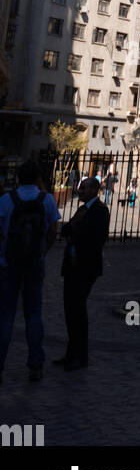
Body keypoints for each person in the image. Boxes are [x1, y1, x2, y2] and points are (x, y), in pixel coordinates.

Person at [0, 160, 60, 384]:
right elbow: (53, 231)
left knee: (5, 316)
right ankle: (36, 365)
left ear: (18, 177)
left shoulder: (6, 200)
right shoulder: (48, 200)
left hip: (9, 264)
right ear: (37, 178)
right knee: (34, 314)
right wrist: (43, 251)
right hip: (35, 264)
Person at [55, 176, 110, 371]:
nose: (81, 191)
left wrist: (79, 249)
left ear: (95, 190)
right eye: (81, 188)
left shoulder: (100, 211)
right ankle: (71, 354)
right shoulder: (82, 209)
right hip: (71, 266)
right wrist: (74, 226)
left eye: (85, 188)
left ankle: (81, 356)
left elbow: (98, 239)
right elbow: (66, 231)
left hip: (85, 267)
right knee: (70, 310)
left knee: (78, 310)